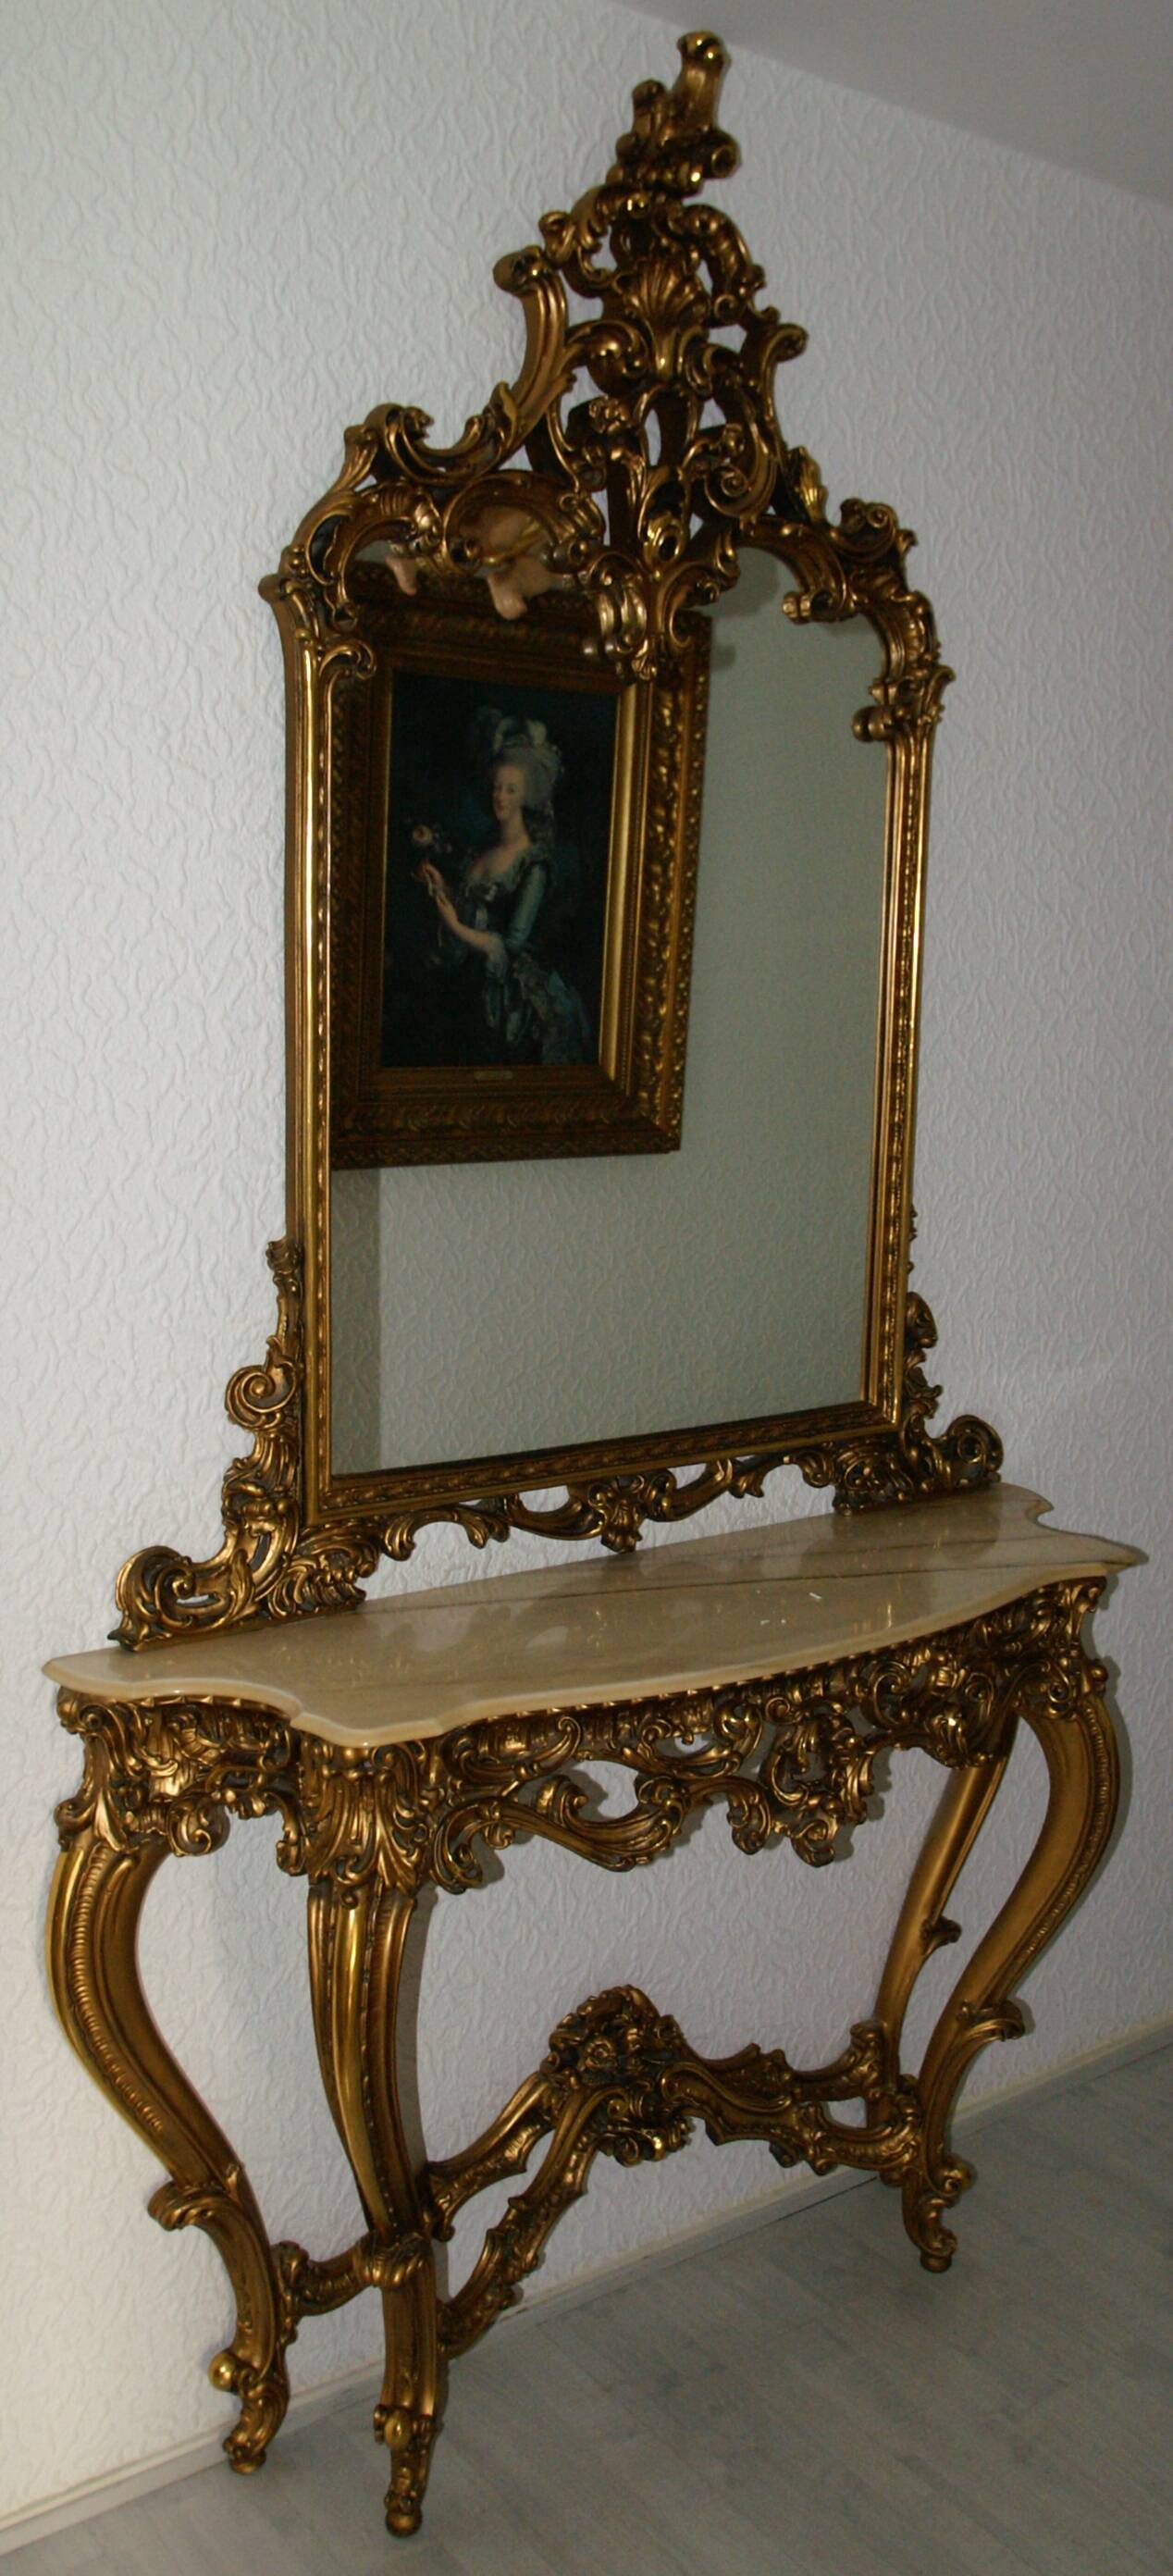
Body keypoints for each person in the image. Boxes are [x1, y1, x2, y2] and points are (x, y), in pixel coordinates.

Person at [414, 714, 593, 1066]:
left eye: (510, 789)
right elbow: (472, 904)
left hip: (503, 996)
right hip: (467, 975)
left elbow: (509, 945)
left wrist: (454, 926)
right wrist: (440, 885)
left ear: (525, 795)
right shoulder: (485, 845)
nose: (500, 796)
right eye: (497, 787)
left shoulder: (534, 865)